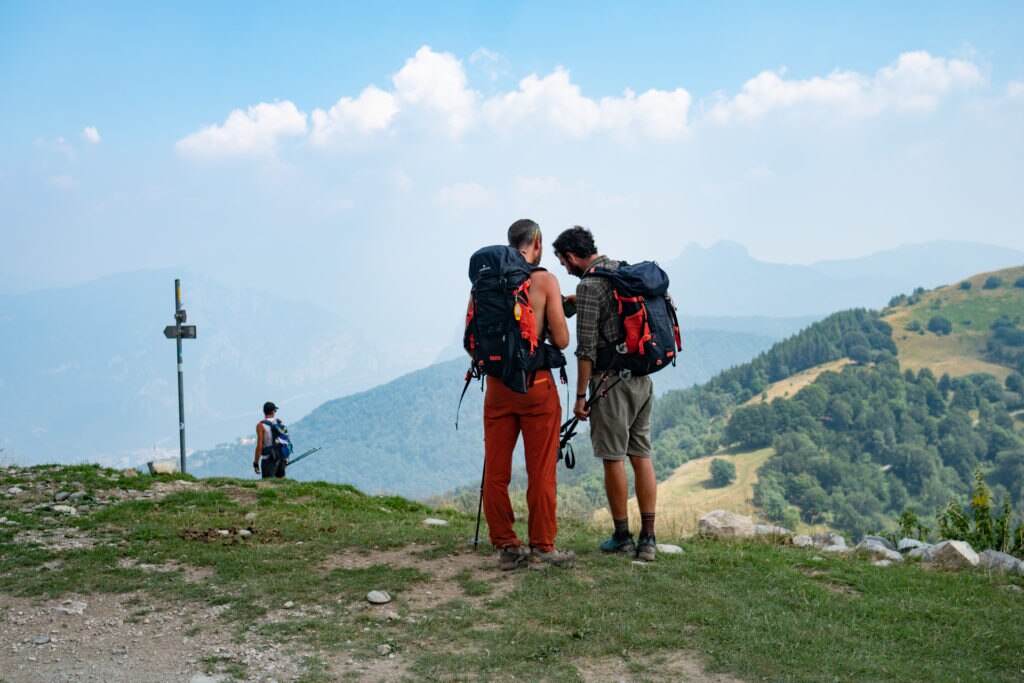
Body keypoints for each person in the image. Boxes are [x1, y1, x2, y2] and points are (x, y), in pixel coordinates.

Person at [552, 226, 658, 562]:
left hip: (610, 384)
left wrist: (581, 397)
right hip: (642, 379)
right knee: (641, 455)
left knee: (612, 457)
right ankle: (650, 539)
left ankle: (622, 536)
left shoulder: (588, 285)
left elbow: (585, 351)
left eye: (563, 263)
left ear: (571, 256)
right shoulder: (621, 270)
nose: (565, 270)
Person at [480, 219, 576, 570]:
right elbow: (563, 341)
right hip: (535, 387)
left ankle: (506, 544)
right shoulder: (544, 280)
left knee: (496, 470)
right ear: (536, 242)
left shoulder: (486, 281)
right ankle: (542, 547)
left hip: (497, 388)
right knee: (540, 471)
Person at [254, 401, 288, 479]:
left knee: (268, 485)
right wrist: (286, 459)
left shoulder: (260, 425)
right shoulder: (280, 422)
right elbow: (285, 441)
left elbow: (259, 447)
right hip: (281, 457)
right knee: (281, 484)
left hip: (268, 459)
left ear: (264, 411)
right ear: (273, 411)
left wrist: (256, 463)